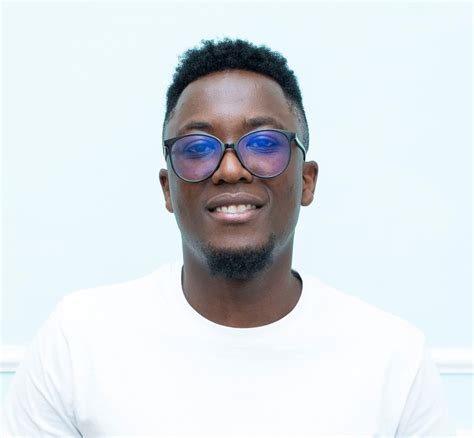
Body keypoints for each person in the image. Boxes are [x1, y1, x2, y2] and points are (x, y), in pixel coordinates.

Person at [2, 38, 454, 437]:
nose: (231, 169)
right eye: (198, 148)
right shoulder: (78, 341)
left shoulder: (394, 359)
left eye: (264, 143)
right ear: (167, 189)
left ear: (307, 181)